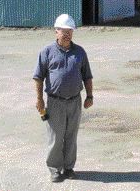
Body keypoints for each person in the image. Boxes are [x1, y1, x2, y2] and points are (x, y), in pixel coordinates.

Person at [33, 14, 94, 182]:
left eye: (70, 31)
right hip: (55, 102)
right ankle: (54, 169)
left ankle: (68, 168)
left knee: (71, 136)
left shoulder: (80, 52)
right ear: (56, 31)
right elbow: (38, 77)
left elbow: (87, 76)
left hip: (75, 101)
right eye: (63, 30)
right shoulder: (46, 52)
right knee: (55, 137)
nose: (67, 34)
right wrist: (39, 100)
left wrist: (89, 96)